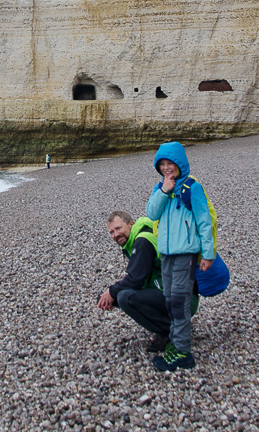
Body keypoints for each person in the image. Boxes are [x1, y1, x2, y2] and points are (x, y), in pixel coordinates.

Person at [145, 141, 214, 371]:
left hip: (185, 253)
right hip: (166, 253)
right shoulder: (160, 188)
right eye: (162, 164)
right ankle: (176, 342)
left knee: (179, 300)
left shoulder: (192, 188)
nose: (166, 168)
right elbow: (151, 213)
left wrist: (207, 254)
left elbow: (204, 221)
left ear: (179, 163)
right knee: (169, 299)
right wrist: (164, 190)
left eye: (170, 163)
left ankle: (183, 352)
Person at [97, 210, 171, 353]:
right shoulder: (135, 239)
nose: (116, 234)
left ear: (131, 223)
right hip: (167, 291)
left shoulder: (143, 240)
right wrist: (110, 295)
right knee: (109, 297)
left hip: (180, 296)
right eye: (112, 232)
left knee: (124, 298)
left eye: (119, 228)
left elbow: (135, 280)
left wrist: (112, 292)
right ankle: (171, 321)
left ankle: (171, 330)